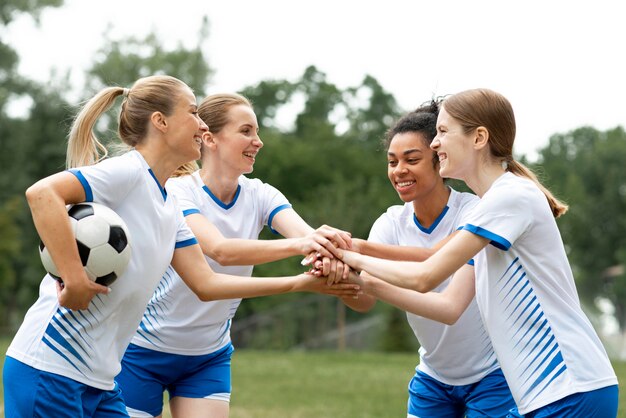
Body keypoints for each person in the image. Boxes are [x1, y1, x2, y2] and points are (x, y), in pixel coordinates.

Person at [2, 76, 358, 418]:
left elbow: (207, 284)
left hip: (98, 382)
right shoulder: (129, 172)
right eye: (193, 112)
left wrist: (299, 284)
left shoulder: (169, 205)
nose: (202, 125)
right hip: (49, 368)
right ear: (160, 122)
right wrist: (75, 278)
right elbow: (42, 194)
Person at [335, 88, 619, 417]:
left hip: (569, 387)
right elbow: (432, 256)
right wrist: (353, 249)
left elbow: (426, 276)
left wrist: (351, 260)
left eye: (442, 132)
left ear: (479, 137)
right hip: (552, 393)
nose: (436, 143)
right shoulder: (494, 204)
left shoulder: (508, 197)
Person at [116, 92, 354, 418]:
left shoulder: (262, 195)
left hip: (207, 356)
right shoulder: (178, 191)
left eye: (257, 132)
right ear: (210, 139)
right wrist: (306, 245)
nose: (258, 141)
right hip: (143, 351)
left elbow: (305, 235)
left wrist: (325, 253)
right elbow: (220, 250)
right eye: (246, 131)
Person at [336, 101, 515, 417]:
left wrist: (357, 251)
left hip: (492, 376)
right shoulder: (390, 223)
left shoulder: (474, 211)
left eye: (412, 159)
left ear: (439, 160)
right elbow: (366, 298)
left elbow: (435, 258)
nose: (399, 170)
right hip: (433, 379)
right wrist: (340, 279)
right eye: (392, 162)